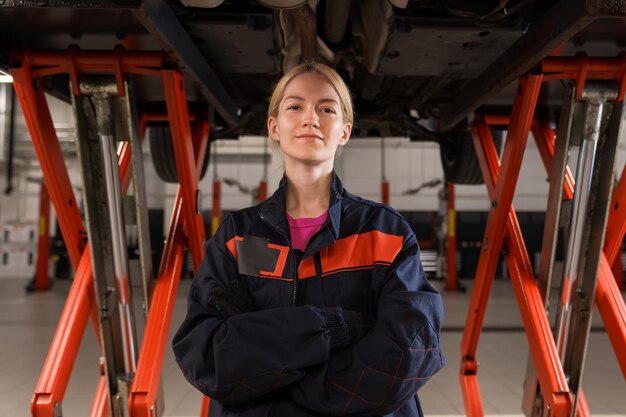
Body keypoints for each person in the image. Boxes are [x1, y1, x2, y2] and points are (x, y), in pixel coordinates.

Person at [172, 62, 445, 417]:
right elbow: (204, 353)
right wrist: (329, 329)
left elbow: (411, 348)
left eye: (327, 108)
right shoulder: (238, 237)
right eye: (295, 106)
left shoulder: (384, 232)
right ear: (274, 126)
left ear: (344, 131)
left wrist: (297, 390)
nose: (310, 118)